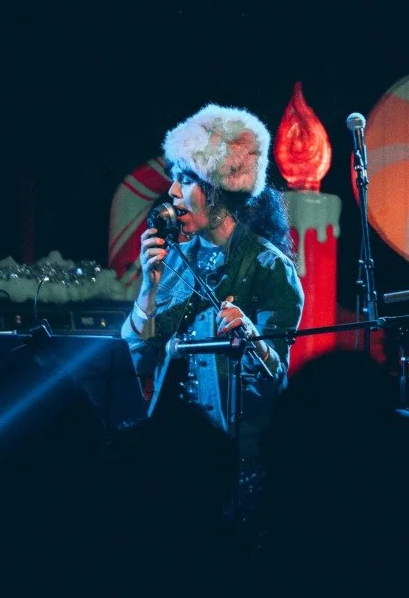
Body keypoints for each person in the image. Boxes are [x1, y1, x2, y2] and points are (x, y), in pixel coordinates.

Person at [121, 103, 304, 504]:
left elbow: (277, 382)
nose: (172, 192)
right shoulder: (175, 260)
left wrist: (252, 336)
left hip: (236, 462)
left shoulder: (268, 267)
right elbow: (137, 361)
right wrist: (148, 292)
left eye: (185, 178)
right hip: (174, 455)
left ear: (218, 191)